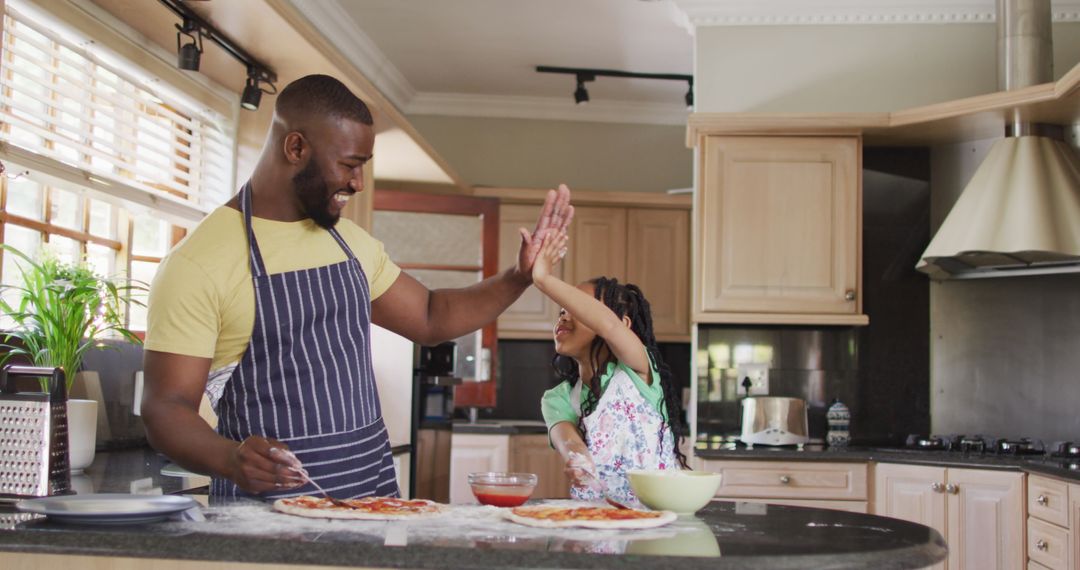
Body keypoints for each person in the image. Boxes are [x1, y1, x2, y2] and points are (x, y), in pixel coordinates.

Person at [141, 74, 573, 501]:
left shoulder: (349, 242)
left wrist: (518, 276)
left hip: (373, 505)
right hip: (269, 522)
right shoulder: (198, 264)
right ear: (296, 148)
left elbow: (430, 317)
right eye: (349, 164)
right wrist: (230, 459)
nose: (358, 183)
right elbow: (166, 408)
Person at [531, 233, 688, 506]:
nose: (564, 313)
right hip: (598, 518)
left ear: (624, 323)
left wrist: (544, 280)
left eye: (578, 307)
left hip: (658, 515)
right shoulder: (557, 399)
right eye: (562, 309)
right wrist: (578, 461)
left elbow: (609, 326)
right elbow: (570, 444)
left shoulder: (638, 370)